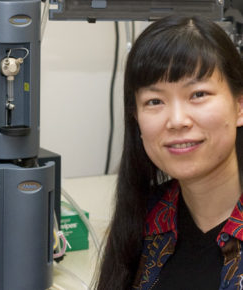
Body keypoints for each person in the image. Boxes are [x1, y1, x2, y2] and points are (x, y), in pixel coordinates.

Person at [95, 15, 243, 290]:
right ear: (135, 118)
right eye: (154, 101)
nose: (177, 120)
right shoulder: (146, 217)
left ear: (239, 106)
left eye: (198, 94)